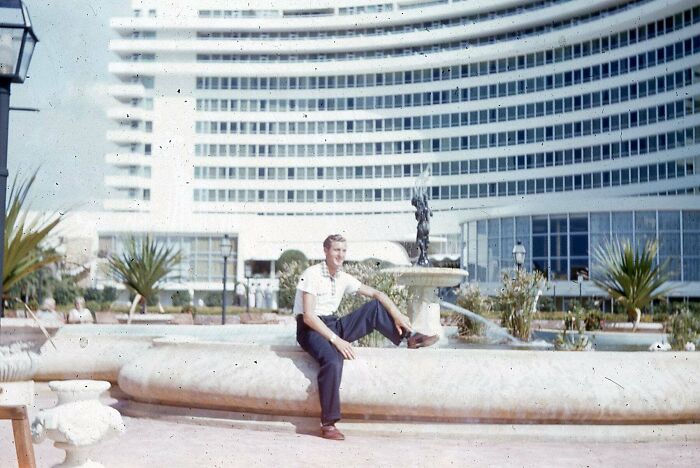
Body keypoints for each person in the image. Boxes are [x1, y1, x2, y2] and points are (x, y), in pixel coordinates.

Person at [294, 234, 438, 441]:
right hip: (310, 329)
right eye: (336, 250)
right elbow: (308, 316)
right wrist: (337, 341)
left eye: (343, 250)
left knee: (373, 309)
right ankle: (329, 424)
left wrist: (397, 315)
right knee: (334, 360)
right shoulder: (312, 274)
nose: (340, 255)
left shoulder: (343, 276)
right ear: (325, 251)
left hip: (332, 324)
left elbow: (379, 295)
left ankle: (410, 338)